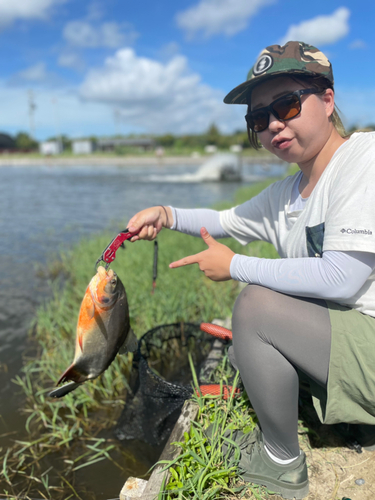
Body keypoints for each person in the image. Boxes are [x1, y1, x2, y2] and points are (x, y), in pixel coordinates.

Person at [126, 41, 375, 499]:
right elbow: (222, 221)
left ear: (328, 100)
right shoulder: (287, 192)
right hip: (353, 339)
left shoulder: (364, 160)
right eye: (258, 118)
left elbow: (343, 277)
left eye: (287, 105)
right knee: (247, 349)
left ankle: (281, 464)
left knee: (257, 306)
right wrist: (165, 212)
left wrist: (237, 266)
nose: (273, 124)